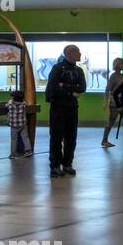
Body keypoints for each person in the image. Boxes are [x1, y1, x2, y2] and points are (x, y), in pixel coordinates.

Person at [45, 45, 87, 178]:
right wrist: (71, 91)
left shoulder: (79, 71)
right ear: (69, 53)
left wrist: (64, 85)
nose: (80, 54)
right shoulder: (58, 68)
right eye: (77, 52)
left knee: (71, 137)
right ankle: (55, 166)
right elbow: (53, 88)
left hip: (72, 108)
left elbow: (82, 88)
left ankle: (67, 164)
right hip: (58, 108)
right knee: (56, 137)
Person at [101, 57, 123, 147]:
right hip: (114, 102)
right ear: (117, 64)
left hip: (122, 101)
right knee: (111, 121)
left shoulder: (122, 76)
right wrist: (105, 101)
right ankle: (104, 140)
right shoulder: (113, 76)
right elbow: (108, 89)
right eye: (121, 63)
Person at [6, 89, 32, 159]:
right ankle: (28, 151)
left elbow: (7, 105)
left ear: (13, 98)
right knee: (25, 137)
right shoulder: (23, 104)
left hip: (13, 125)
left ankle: (13, 154)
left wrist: (11, 100)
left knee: (14, 139)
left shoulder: (10, 104)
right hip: (22, 124)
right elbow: (25, 103)